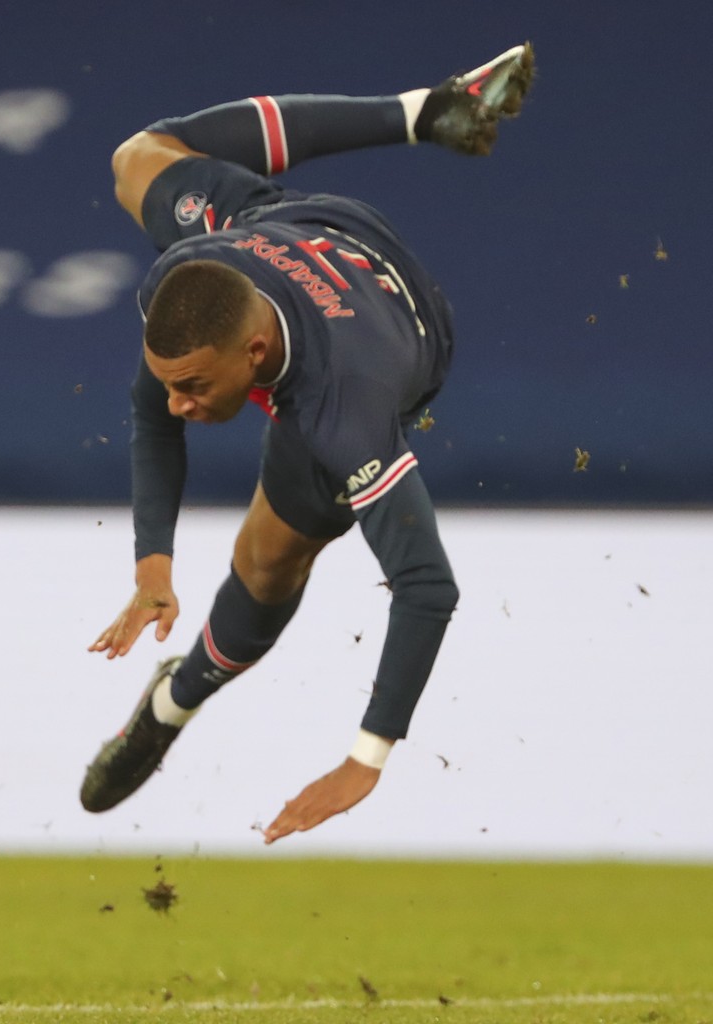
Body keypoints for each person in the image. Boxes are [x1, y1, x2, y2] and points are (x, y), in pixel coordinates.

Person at [80, 45, 535, 842]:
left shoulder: (342, 415)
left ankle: (172, 702)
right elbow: (150, 404)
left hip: (397, 334)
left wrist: (365, 758)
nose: (177, 404)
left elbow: (428, 587)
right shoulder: (184, 274)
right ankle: (420, 110)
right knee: (136, 158)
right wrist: (153, 562)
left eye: (193, 386)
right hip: (290, 230)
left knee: (267, 562)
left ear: (251, 358)